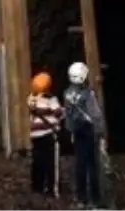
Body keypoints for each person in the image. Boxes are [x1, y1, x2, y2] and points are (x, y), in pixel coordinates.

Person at [64, 61, 106, 209]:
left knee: (80, 165)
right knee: (93, 165)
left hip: (77, 131)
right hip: (89, 131)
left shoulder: (67, 94)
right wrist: (101, 132)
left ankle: (81, 198)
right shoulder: (88, 94)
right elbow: (96, 114)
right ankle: (95, 198)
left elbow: (68, 115)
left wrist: (71, 131)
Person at [28, 72, 64, 197]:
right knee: (51, 163)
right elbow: (59, 114)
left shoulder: (31, 98)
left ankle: (37, 187)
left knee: (37, 161)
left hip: (35, 135)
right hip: (48, 134)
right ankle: (52, 189)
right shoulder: (51, 99)